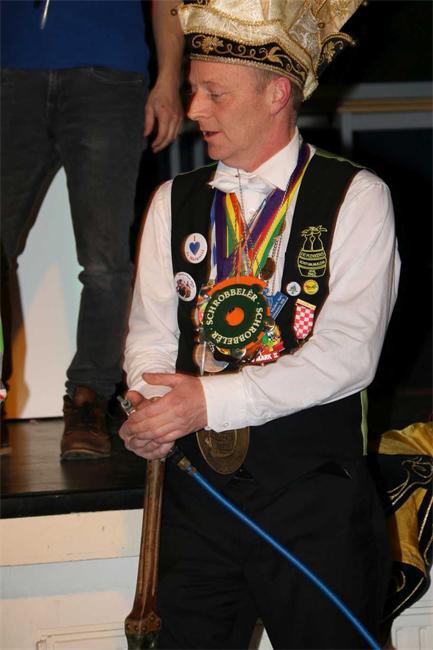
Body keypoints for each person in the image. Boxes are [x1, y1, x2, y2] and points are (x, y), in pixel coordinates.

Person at [119, 0, 401, 647]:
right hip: (198, 500)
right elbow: (151, 334)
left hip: (313, 502)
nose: (194, 109)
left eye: (214, 93)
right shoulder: (172, 200)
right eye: (193, 90)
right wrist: (150, 408)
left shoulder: (357, 196)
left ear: (276, 94)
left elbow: (348, 355)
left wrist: (205, 402)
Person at [1, 0, 183, 460]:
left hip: (109, 77)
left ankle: (89, 398)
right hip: (10, 70)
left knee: (104, 262)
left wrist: (168, 81)